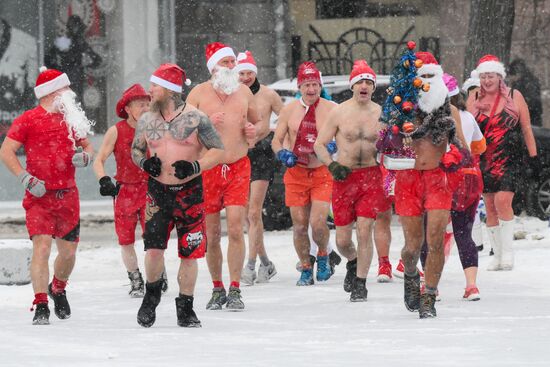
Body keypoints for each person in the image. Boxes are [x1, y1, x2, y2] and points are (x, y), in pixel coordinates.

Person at [131, 64, 224, 328]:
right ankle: (151, 296)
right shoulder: (146, 120)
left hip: (189, 193)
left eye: (155, 87)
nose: (150, 91)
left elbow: (218, 150)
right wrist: (144, 164)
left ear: (170, 90)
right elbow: (136, 151)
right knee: (153, 251)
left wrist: (196, 166)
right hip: (158, 192)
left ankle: (186, 307)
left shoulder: (196, 118)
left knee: (189, 253)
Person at [0, 66, 94, 325]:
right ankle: (41, 302)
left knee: (68, 253)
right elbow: (6, 151)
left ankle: (58, 287)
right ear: (52, 93)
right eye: (65, 89)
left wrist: (85, 156)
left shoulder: (71, 118)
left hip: (68, 196)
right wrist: (25, 178)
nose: (70, 93)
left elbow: (88, 146)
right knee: (41, 248)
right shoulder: (28, 119)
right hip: (39, 197)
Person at [389, 52, 468, 318]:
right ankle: (411, 275)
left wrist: (455, 155)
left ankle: (429, 295)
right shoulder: (400, 108)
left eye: (431, 76)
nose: (426, 82)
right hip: (408, 179)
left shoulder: (449, 110)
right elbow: (383, 144)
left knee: (435, 240)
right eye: (421, 76)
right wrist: (395, 139)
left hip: (437, 178)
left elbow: (463, 149)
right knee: (412, 246)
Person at [186, 42, 260, 310]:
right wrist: (203, 122)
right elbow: (181, 132)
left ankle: (236, 287)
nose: (231, 66)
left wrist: (253, 130)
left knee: (237, 225)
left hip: (238, 165)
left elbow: (258, 122)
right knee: (213, 233)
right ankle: (217, 287)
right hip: (208, 168)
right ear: (213, 67)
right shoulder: (197, 93)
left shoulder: (243, 92)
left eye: (232, 62)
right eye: (226, 62)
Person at [314, 60, 392, 301]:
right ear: (352, 86)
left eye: (369, 82)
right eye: (360, 81)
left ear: (373, 87)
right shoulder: (339, 112)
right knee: (343, 239)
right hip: (344, 178)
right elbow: (319, 144)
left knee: (365, 229)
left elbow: (394, 146)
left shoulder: (382, 113)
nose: (364, 86)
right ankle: (353, 260)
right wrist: (332, 164)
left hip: (371, 176)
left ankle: (361, 282)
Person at [93, 83, 168, 298]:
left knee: (154, 238)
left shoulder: (157, 126)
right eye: (140, 104)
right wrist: (104, 179)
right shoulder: (116, 131)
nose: (146, 108)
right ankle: (135, 278)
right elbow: (99, 160)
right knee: (125, 240)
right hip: (125, 191)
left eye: (148, 103)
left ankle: (158, 273)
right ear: (128, 108)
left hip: (151, 189)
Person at [467, 55, 540, 271]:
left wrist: (533, 155)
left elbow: (526, 127)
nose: (487, 81)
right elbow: (467, 128)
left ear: (500, 77)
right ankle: (497, 255)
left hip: (510, 157)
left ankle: (508, 253)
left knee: (502, 201)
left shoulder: (514, 96)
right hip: (483, 159)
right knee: (489, 206)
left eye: (491, 76)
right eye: (483, 77)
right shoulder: (473, 98)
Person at [420, 73, 486, 301]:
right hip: (465, 176)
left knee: (429, 233)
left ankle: (431, 286)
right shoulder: (464, 115)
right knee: (462, 233)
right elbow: (478, 146)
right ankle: (471, 285)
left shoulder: (423, 114)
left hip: (441, 178)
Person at [272, 61, 336, 286]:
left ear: (320, 86)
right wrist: (282, 154)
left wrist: (333, 146)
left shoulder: (331, 108)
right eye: (307, 84)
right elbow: (276, 141)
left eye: (315, 85)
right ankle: (306, 267)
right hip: (296, 172)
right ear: (300, 86)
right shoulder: (289, 109)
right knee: (299, 225)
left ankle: (323, 255)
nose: (311, 89)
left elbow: (342, 135)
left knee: (318, 223)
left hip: (321, 171)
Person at [236, 50, 283, 285]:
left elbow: (286, 119)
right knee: (247, 216)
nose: (245, 77)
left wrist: (276, 136)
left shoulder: (269, 95)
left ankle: (251, 265)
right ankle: (266, 263)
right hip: (239, 156)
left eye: (249, 73)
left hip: (262, 155)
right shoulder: (233, 95)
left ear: (255, 73)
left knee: (254, 213)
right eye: (241, 73)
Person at [44, 15, 102, 98]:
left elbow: (97, 60)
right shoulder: (75, 41)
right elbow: (48, 58)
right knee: (71, 104)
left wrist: (57, 69)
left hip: (69, 79)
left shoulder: (71, 41)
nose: (76, 30)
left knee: (68, 104)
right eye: (75, 27)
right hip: (73, 78)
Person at [508, 58, 543, 127]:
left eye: (512, 76)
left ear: (517, 73)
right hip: (533, 118)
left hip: (531, 119)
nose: (511, 78)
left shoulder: (525, 84)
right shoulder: (529, 81)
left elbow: (532, 102)